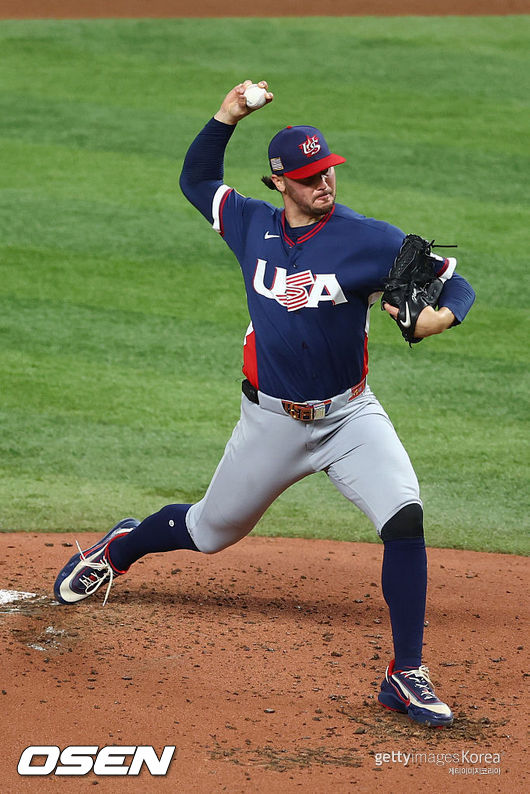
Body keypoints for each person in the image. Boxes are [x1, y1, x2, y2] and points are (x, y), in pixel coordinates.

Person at [54, 80, 475, 728]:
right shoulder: (250, 224)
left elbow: (456, 283)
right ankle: (118, 550)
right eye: (308, 178)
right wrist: (227, 115)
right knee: (208, 531)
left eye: (327, 172)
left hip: (349, 418)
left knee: (404, 515)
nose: (323, 186)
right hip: (272, 422)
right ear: (281, 182)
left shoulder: (368, 239)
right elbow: (196, 180)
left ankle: (405, 673)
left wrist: (437, 319)